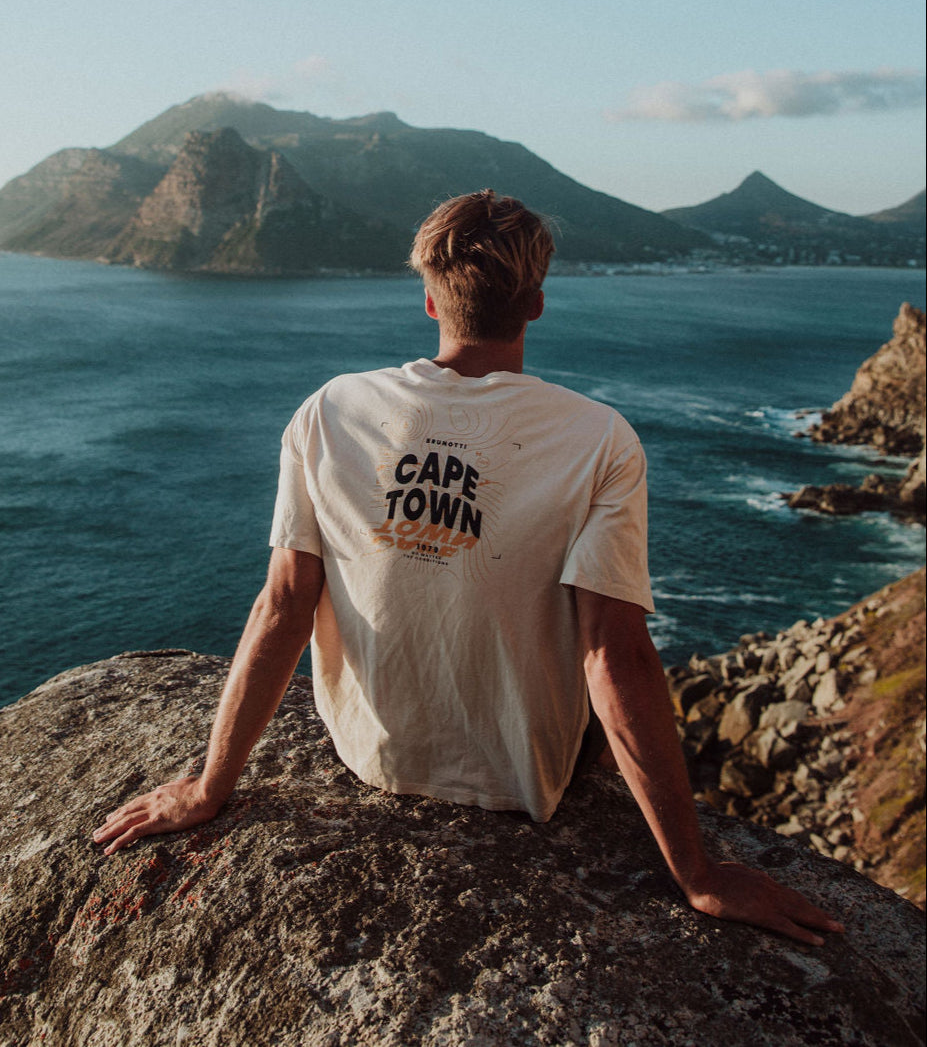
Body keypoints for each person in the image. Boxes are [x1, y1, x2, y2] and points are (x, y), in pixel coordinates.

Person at [93, 190, 843, 947]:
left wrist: (208, 786)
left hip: (372, 754)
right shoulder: (599, 438)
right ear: (537, 304)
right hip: (525, 781)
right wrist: (697, 872)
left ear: (429, 301)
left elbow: (284, 605)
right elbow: (612, 654)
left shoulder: (331, 408)